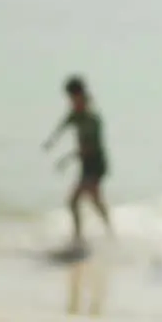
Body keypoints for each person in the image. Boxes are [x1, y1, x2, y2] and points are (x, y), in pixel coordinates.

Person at [43, 75, 114, 244]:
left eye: (73, 97)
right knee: (94, 200)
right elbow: (63, 125)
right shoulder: (75, 114)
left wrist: (66, 160)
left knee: (74, 200)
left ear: (80, 95)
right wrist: (51, 141)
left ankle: (80, 237)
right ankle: (108, 233)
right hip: (86, 164)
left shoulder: (92, 119)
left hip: (96, 163)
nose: (71, 101)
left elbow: (89, 148)